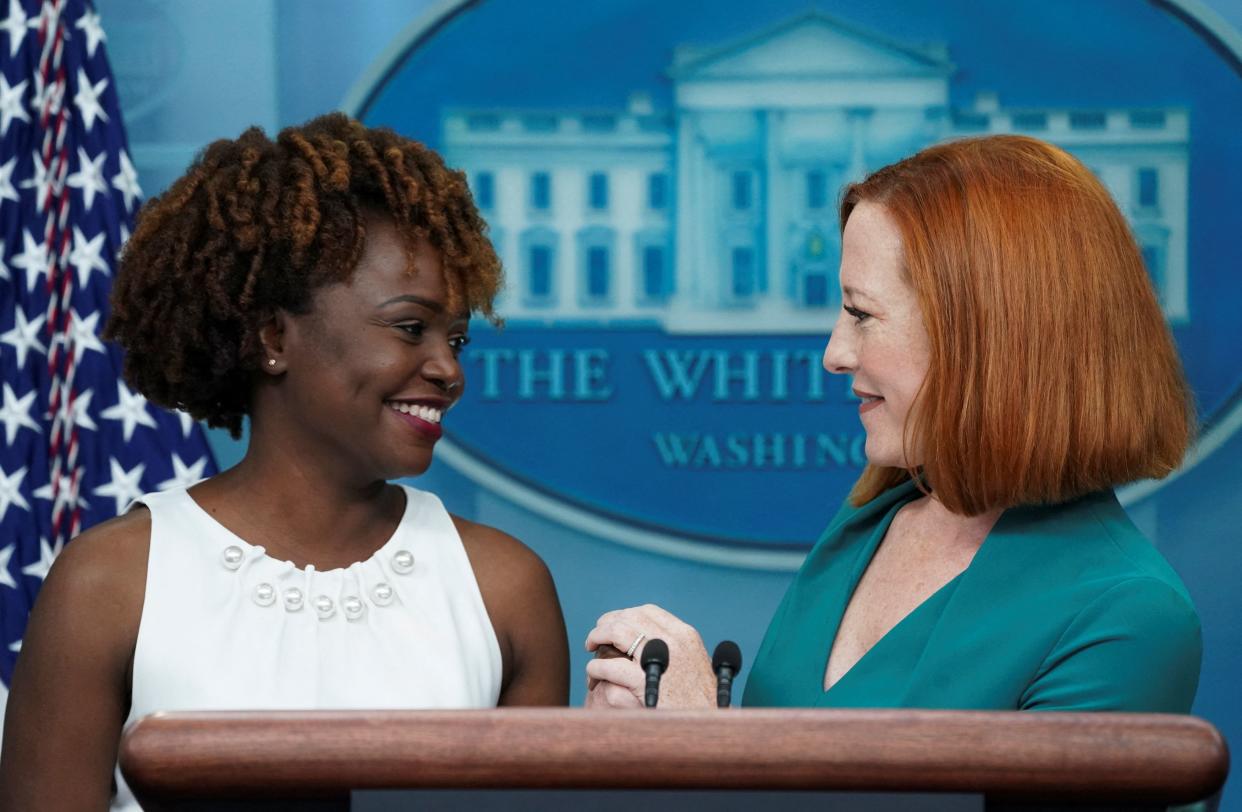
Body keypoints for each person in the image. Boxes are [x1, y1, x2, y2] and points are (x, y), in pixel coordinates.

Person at [0, 113, 569, 810]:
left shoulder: (506, 589)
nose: (448, 369)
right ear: (273, 336)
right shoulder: (109, 582)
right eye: (410, 328)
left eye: (457, 338)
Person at [585, 135, 1201, 713]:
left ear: (990, 337)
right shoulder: (870, 523)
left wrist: (706, 750)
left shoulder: (1129, 615)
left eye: (861, 314)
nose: (834, 353)